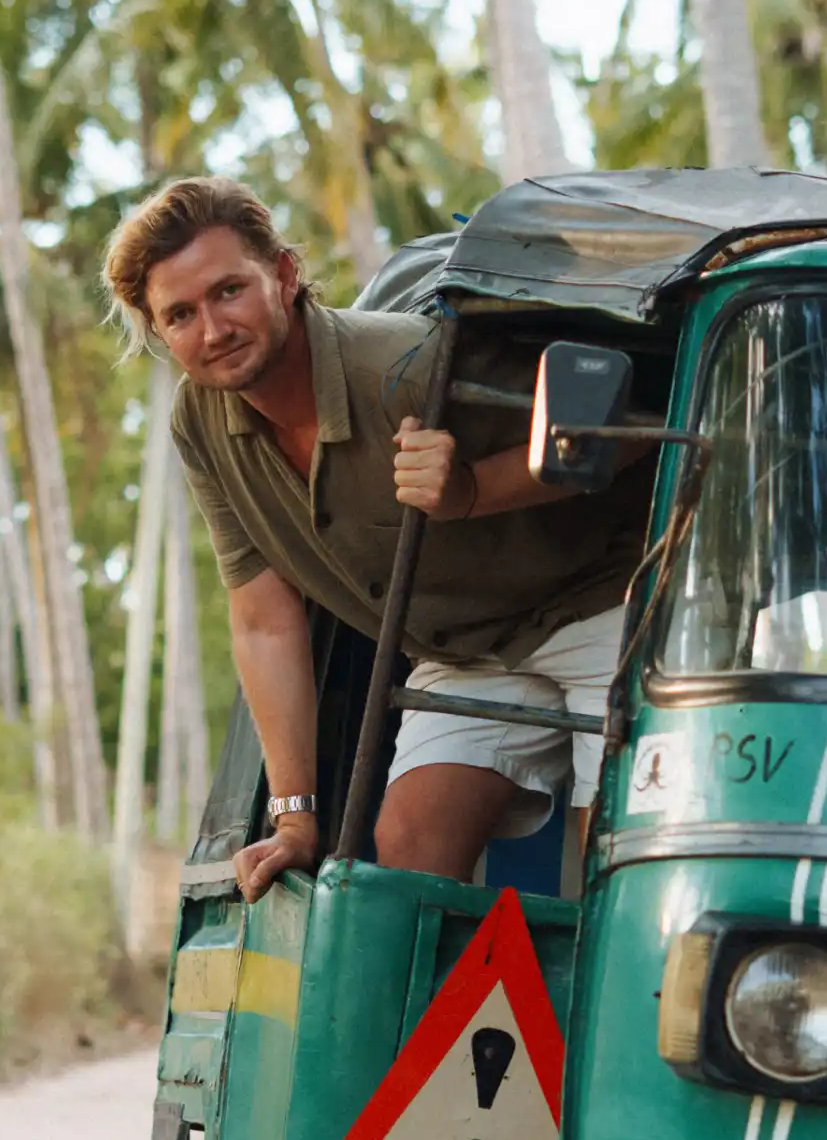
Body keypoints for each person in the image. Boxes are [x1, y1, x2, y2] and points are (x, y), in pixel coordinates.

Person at [102, 177, 652, 904]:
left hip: (597, 606)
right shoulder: (198, 423)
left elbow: (634, 423)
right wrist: (294, 818)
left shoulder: (406, 366)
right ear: (160, 333)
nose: (213, 329)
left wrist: (474, 489)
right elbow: (264, 619)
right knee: (408, 852)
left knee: (613, 863)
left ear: (285, 277)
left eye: (229, 291)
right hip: (463, 650)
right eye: (180, 315)